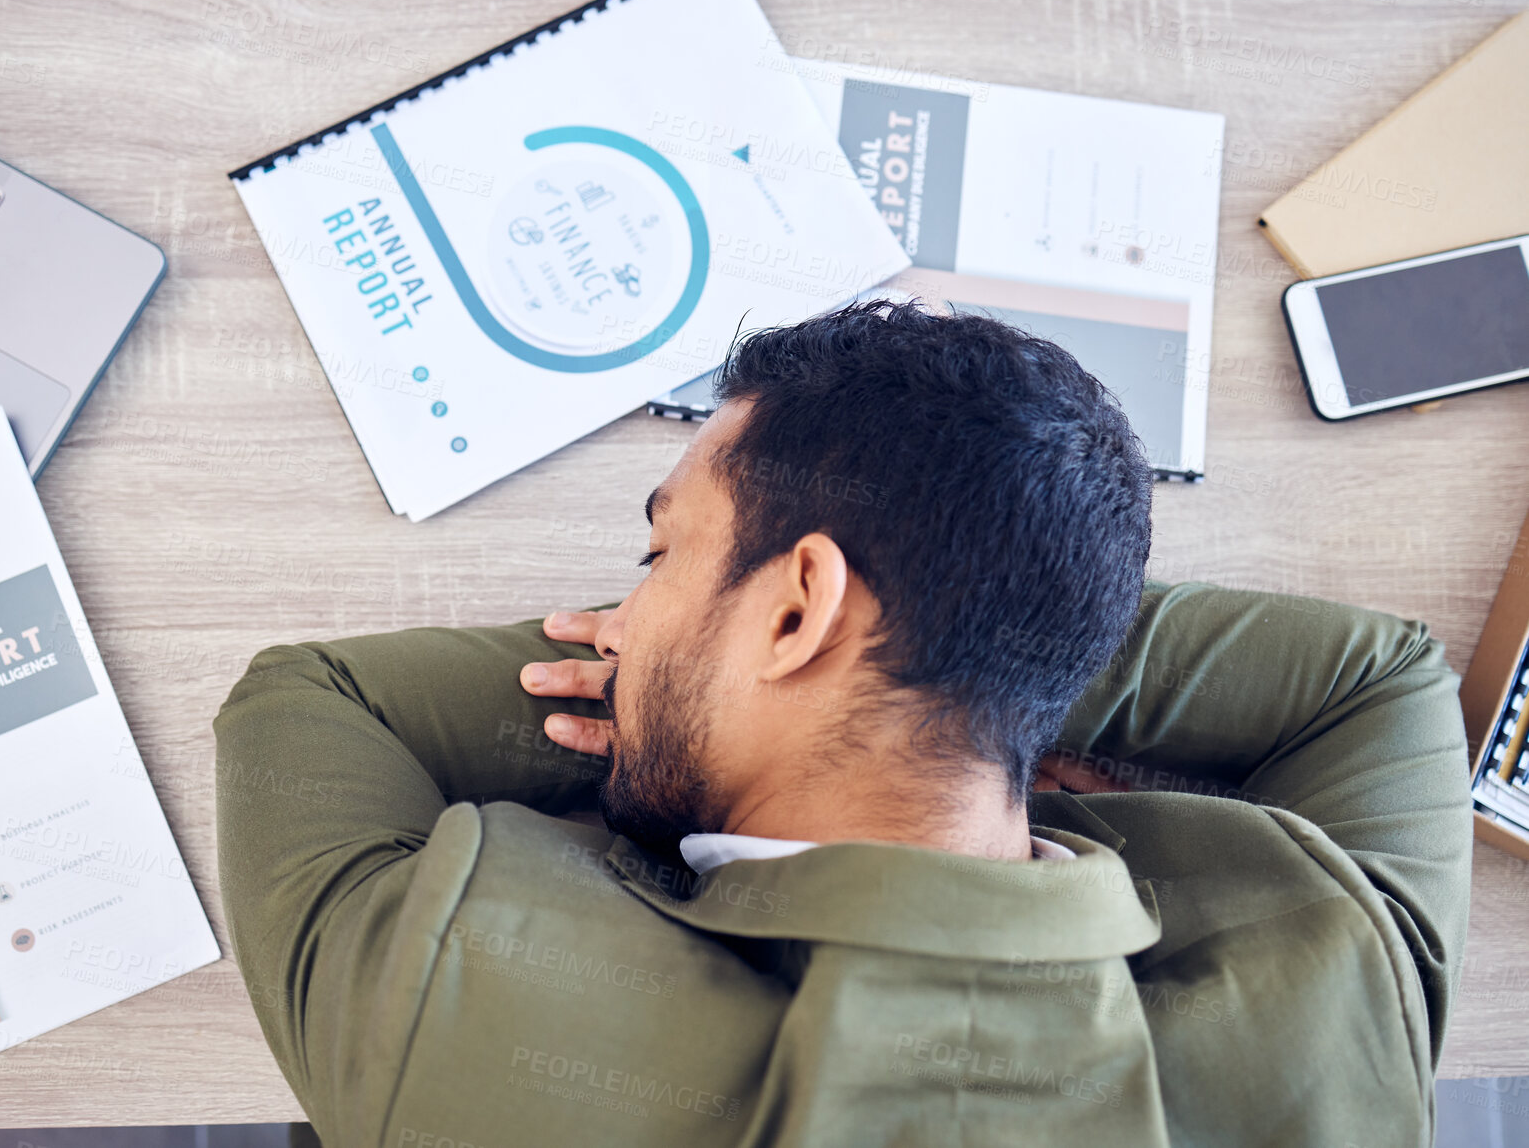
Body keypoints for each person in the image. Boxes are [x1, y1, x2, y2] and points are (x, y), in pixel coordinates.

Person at [214, 301, 1472, 1148]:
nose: (625, 615)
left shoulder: (449, 996)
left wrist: (710, 672)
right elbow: (1379, 679)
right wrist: (984, 660)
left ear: (796, 610)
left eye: (658, 555)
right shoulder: (1338, 980)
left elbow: (313, 701)